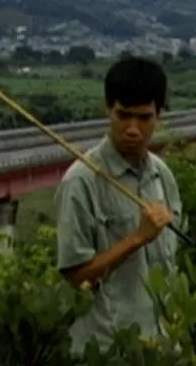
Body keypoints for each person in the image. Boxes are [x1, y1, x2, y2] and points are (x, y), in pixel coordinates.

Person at [54, 56, 183, 354]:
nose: (133, 129)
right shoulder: (81, 180)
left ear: (159, 114)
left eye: (144, 117)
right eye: (123, 115)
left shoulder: (161, 175)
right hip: (107, 350)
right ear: (108, 109)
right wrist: (137, 238)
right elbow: (75, 277)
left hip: (161, 347)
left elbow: (170, 261)